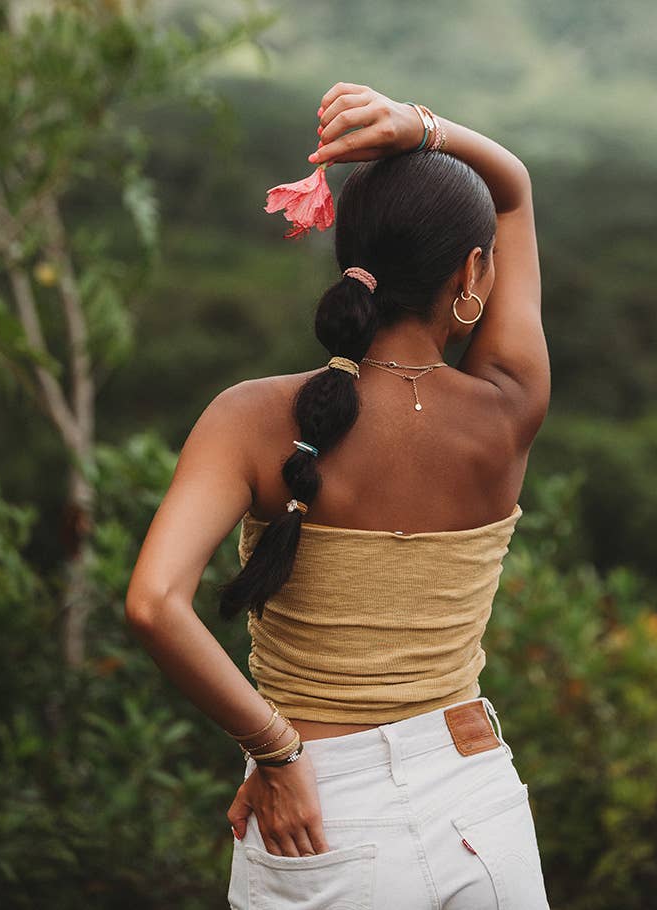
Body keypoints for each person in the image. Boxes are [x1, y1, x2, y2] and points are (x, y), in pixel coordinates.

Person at [125, 81, 551, 909]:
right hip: (480, 806)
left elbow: (153, 603)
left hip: (319, 821)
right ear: (472, 274)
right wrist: (421, 123)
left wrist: (276, 755)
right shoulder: (509, 408)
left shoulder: (252, 418)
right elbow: (516, 189)